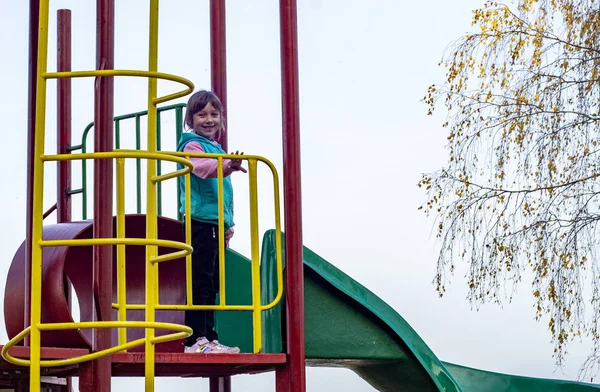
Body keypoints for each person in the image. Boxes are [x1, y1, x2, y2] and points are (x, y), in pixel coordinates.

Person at [176, 90, 246, 354]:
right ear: (190, 119)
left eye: (214, 114)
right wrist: (228, 165)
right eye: (202, 114)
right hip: (199, 222)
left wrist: (227, 224)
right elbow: (204, 170)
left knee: (213, 283)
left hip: (214, 224)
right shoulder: (191, 146)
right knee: (200, 281)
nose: (209, 119)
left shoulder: (216, 148)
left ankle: (210, 337)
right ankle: (194, 340)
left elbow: (223, 193)